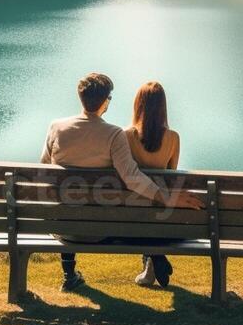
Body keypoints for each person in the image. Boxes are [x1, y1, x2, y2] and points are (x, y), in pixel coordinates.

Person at [41, 73, 202, 292]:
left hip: (62, 226)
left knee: (70, 200)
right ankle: (153, 252)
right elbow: (132, 178)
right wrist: (168, 197)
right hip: (103, 229)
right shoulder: (113, 135)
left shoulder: (56, 127)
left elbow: (43, 171)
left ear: (81, 97)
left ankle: (69, 275)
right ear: (106, 101)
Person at [125, 81, 181, 289]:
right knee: (155, 203)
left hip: (130, 211)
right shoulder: (173, 138)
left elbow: (125, 174)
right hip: (160, 212)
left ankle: (151, 263)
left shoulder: (126, 136)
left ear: (138, 105)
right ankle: (155, 256)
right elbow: (172, 175)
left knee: (141, 204)